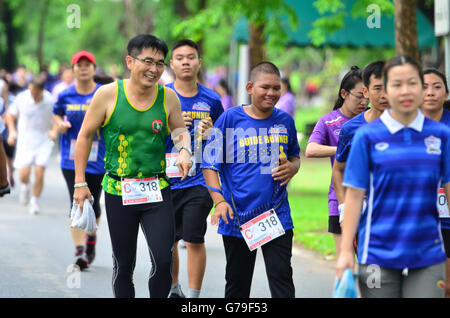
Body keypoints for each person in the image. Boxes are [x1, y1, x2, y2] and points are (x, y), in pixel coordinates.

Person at [73, 34, 192, 298]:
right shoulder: (107, 95)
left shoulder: (168, 97)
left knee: (163, 260)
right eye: (148, 61)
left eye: (160, 63)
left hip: (157, 189)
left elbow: (180, 129)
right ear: (130, 61)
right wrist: (80, 183)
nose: (154, 69)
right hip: (118, 191)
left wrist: (184, 149)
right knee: (124, 265)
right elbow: (84, 136)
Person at [336, 55, 450, 298]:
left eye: (412, 83)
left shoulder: (441, 135)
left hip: (428, 253)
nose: (405, 91)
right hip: (377, 252)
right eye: (397, 84)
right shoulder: (366, 136)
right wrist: (346, 250)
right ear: (385, 90)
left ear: (421, 87)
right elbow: (354, 196)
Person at [201, 61, 300, 298]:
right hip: (237, 216)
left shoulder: (285, 121)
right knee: (237, 283)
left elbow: (295, 156)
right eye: (265, 87)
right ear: (249, 87)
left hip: (277, 215)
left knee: (282, 279)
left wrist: (293, 168)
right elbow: (209, 163)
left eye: (276, 88)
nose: (271, 93)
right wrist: (219, 201)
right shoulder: (229, 119)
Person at [165, 39, 224, 298]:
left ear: (199, 62)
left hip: (199, 180)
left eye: (191, 57)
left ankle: (193, 296)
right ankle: (173, 288)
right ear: (171, 64)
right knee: (167, 241)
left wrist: (211, 133)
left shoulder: (211, 98)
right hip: (165, 179)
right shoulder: (161, 95)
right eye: (180, 58)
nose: (186, 62)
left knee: (193, 237)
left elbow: (224, 139)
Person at [305, 66, 367, 257]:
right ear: (344, 93)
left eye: (367, 96)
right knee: (346, 263)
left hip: (373, 199)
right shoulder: (329, 121)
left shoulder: (375, 119)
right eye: (359, 96)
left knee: (372, 268)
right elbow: (310, 149)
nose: (364, 102)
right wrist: (344, 150)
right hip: (340, 200)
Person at [53, 50, 105, 270]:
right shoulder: (65, 95)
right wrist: (60, 124)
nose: (83, 68)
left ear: (94, 68)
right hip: (71, 158)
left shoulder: (103, 93)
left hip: (99, 158)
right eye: (79, 65)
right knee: (76, 201)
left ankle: (91, 238)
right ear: (73, 70)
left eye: (87, 65)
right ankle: (80, 251)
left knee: (93, 202)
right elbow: (56, 113)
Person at [332, 61, 389, 224]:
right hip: (364, 214)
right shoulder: (351, 129)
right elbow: (338, 170)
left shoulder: (407, 126)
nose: (384, 95)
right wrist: (343, 209)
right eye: (378, 88)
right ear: (366, 91)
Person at [5, 76, 56, 214]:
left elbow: (56, 117)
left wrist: (54, 130)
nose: (33, 95)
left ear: (42, 91)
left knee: (39, 173)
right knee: (23, 175)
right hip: (25, 141)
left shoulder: (49, 100)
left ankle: (34, 201)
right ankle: (25, 186)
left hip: (43, 140)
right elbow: (10, 115)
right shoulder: (22, 98)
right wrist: (12, 131)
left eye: (36, 93)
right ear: (29, 88)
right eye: (31, 91)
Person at [422, 67, 450, 297]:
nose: (430, 92)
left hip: (447, 220)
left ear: (447, 94)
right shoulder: (404, 127)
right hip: (416, 219)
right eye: (424, 87)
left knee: (447, 286)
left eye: (437, 86)